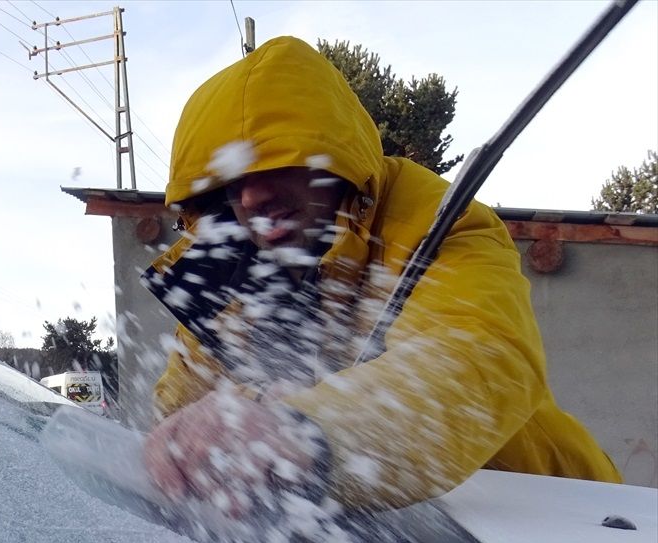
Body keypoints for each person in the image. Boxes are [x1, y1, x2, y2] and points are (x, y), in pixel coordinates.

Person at [141, 36, 620, 516]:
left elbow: (474, 359)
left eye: (278, 161)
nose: (251, 198)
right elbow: (179, 416)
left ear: (333, 153)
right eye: (230, 183)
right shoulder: (226, 276)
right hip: (413, 528)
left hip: (564, 525)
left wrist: (296, 433)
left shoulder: (438, 223)